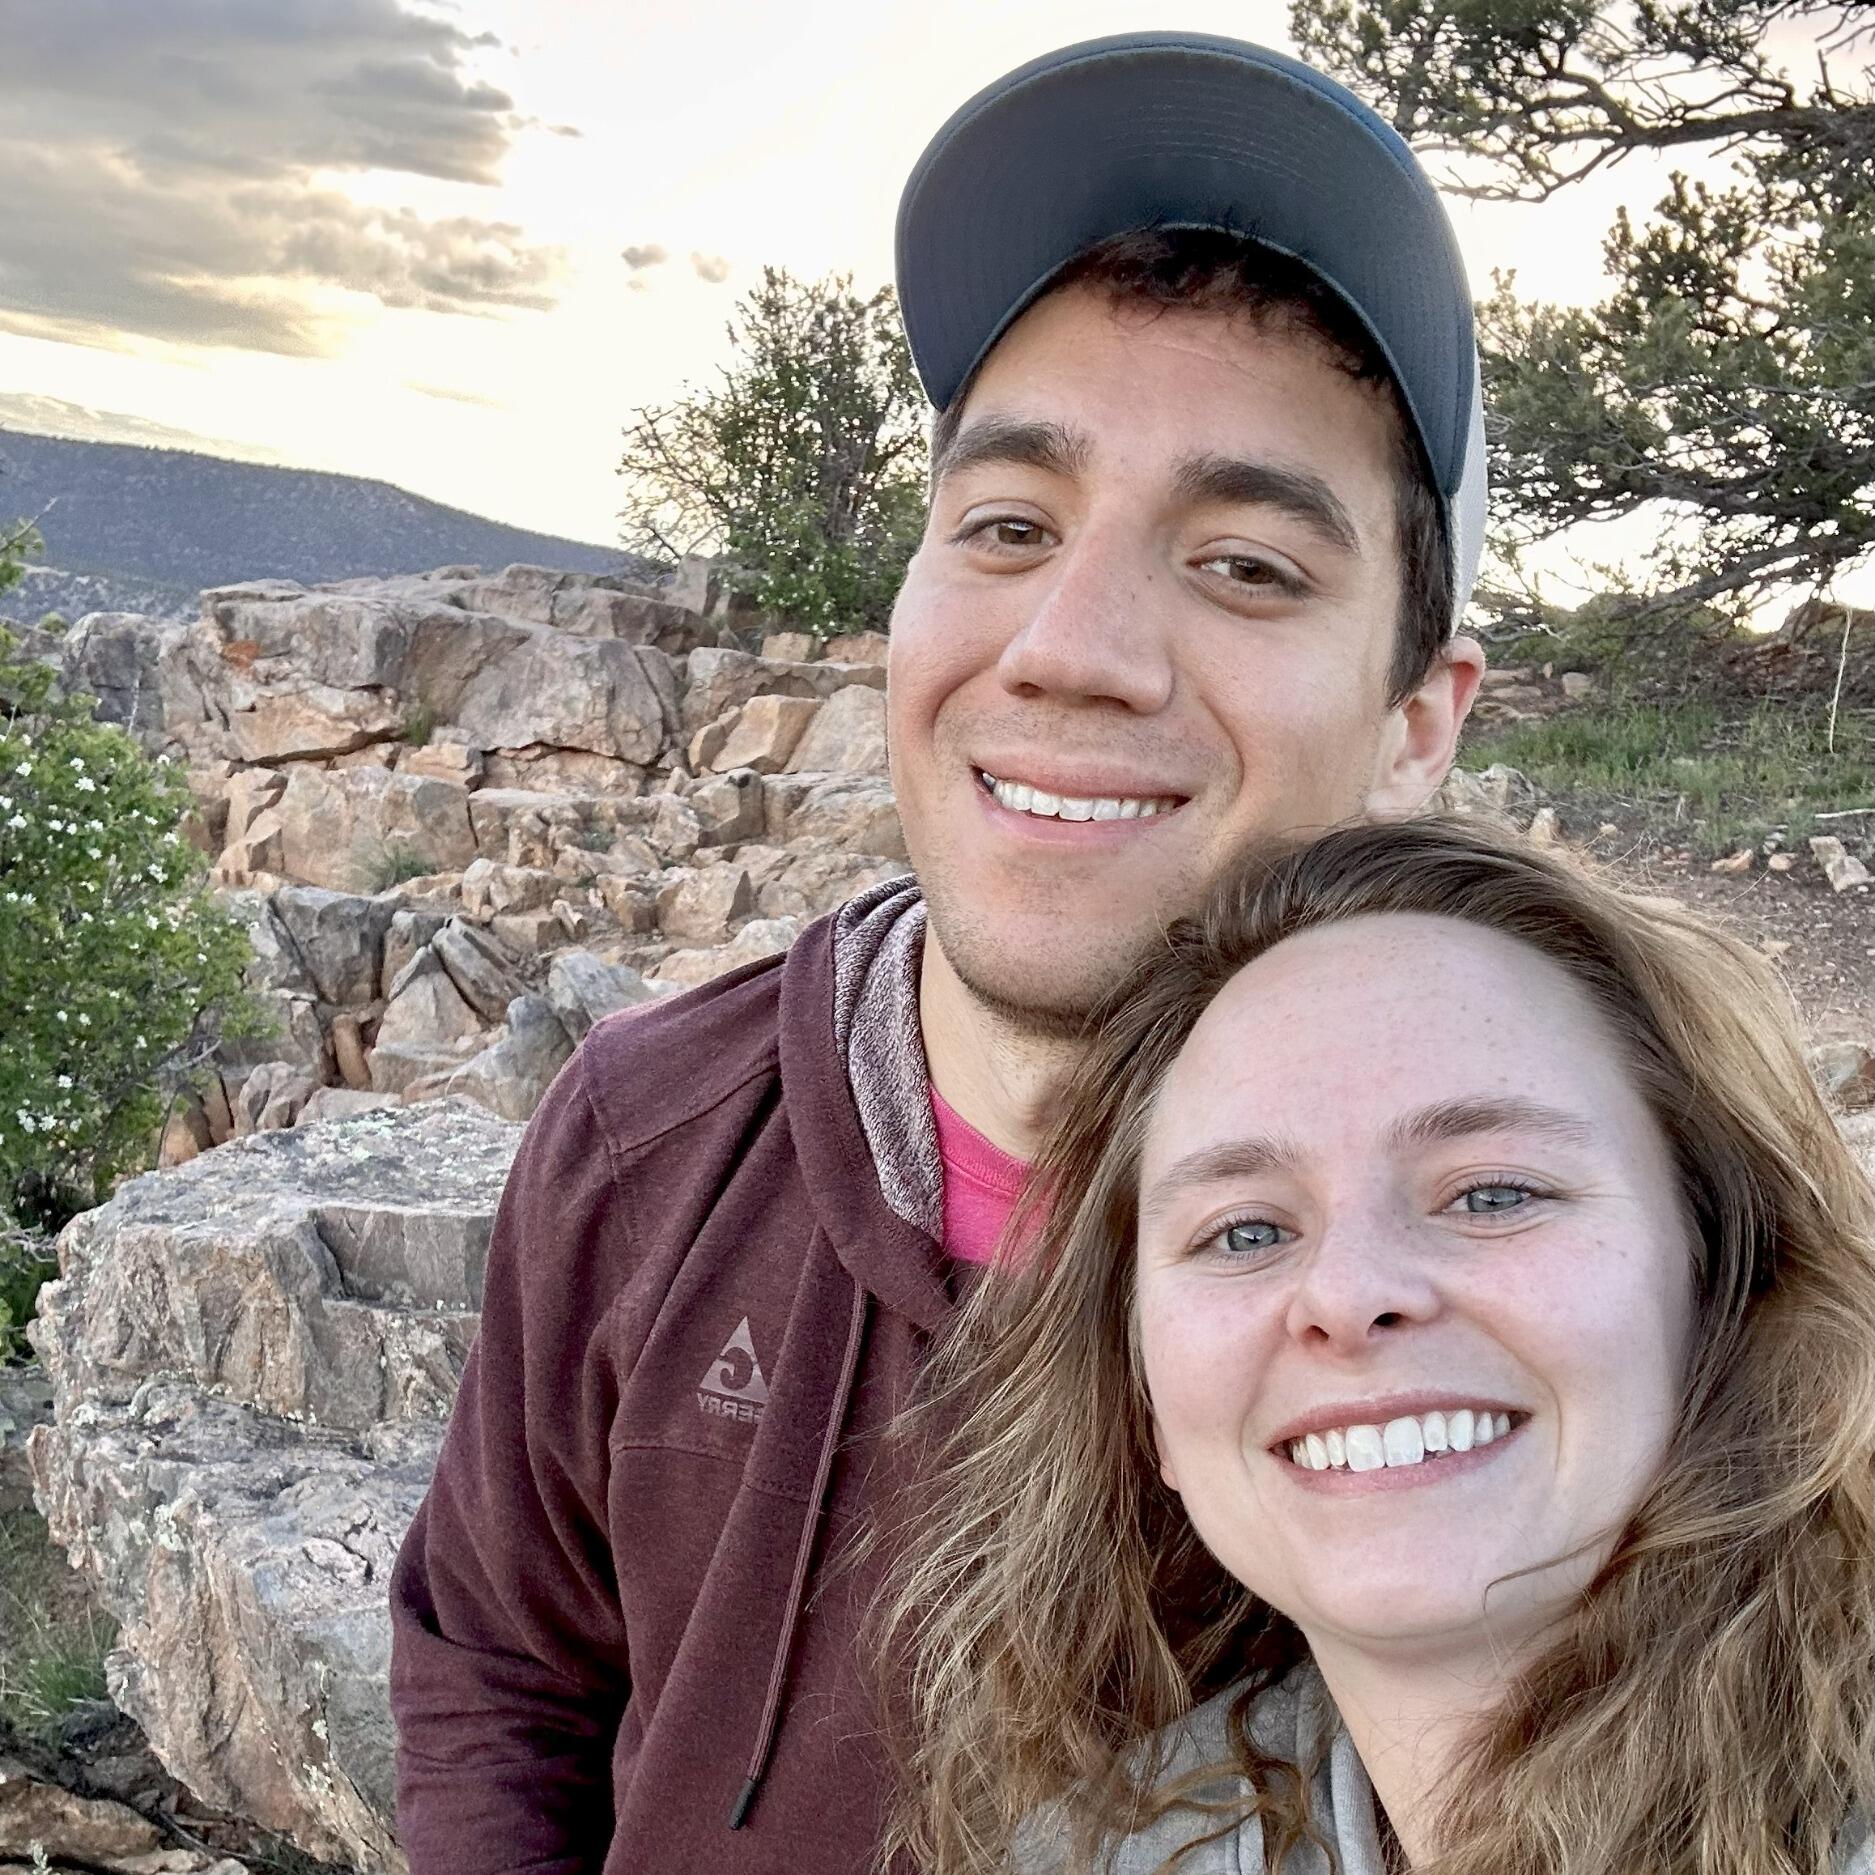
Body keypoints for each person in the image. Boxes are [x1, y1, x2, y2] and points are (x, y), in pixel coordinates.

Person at [388, 32, 1488, 1875]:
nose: (1072, 647)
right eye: (1008, 526)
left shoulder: (1525, 1279)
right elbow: (498, 1656)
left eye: (1245, 567)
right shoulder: (648, 1141)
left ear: (1420, 720)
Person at [878, 816, 1875, 1875]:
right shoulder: (1105, 1853)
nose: (1348, 1297)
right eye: (1247, 1230)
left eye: (1493, 1193)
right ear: (1145, 1397)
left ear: (1724, 1277)